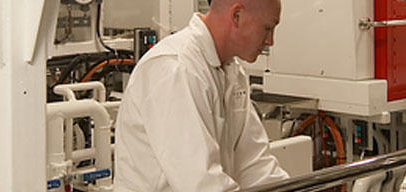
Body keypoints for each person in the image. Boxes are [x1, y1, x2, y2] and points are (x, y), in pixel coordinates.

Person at [111, 0, 286, 191]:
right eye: (267, 28)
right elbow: (200, 183)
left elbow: (255, 165)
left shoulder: (231, 71)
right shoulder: (176, 69)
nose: (270, 41)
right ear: (237, 16)